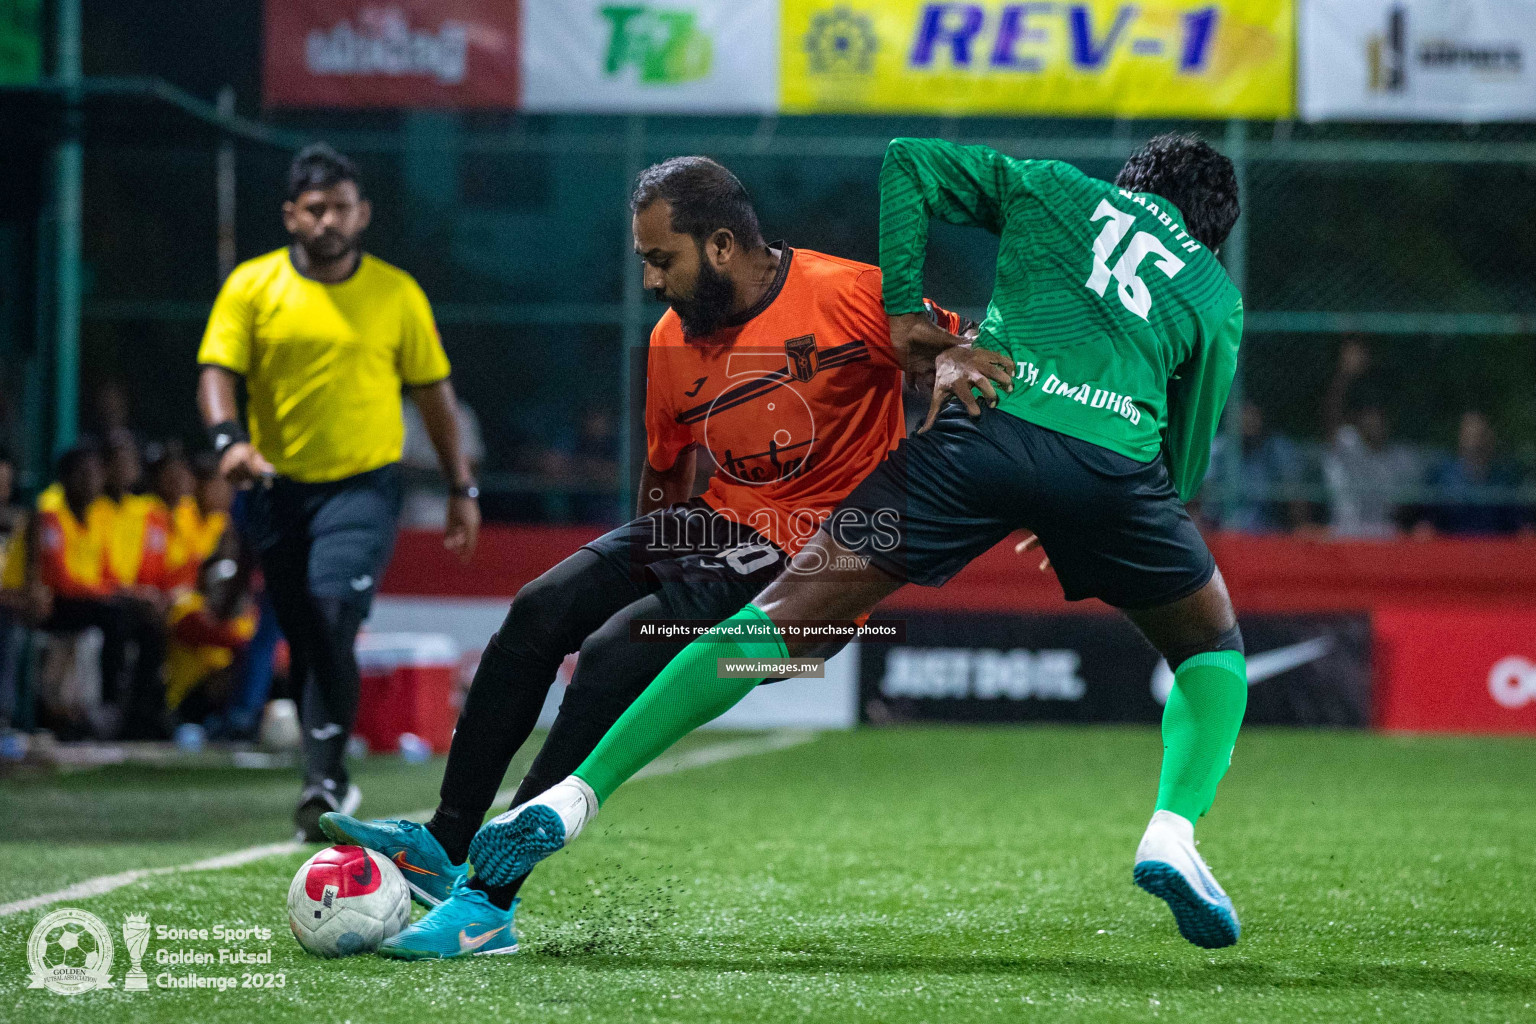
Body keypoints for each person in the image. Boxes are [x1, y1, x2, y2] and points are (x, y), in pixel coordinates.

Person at [475, 135, 1250, 951]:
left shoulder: (1054, 186)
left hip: (978, 433)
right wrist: (1084, 520)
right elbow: (1183, 463)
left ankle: (569, 798)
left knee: (778, 619)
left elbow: (909, 158)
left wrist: (907, 310)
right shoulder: (1211, 291)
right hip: (1115, 471)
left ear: (1128, 183)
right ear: (1211, 231)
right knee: (1211, 649)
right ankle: (1172, 829)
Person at [318, 155, 971, 958]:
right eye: (645, 263)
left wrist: (953, 360)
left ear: (723, 245)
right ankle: (448, 841)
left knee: (612, 653)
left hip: (817, 555)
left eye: (664, 260)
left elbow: (957, 347)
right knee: (541, 608)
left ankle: (489, 899)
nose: (653, 281)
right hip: (713, 524)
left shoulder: (848, 295)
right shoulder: (671, 342)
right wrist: (640, 569)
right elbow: (667, 472)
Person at [196, 143, 481, 841]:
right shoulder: (252, 286)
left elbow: (435, 396)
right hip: (273, 489)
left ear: (364, 215)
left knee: (332, 613)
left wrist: (461, 486)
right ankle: (330, 774)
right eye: (315, 208)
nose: (329, 220)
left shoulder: (396, 293)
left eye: (342, 207)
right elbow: (215, 371)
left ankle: (323, 780)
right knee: (302, 629)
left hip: (362, 488)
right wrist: (229, 438)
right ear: (292, 214)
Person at [28, 446, 168, 739]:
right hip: (53, 603)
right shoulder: (49, 514)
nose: (92, 481)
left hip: (90, 601)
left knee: (147, 622)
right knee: (113, 617)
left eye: (95, 474)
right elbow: (58, 579)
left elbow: (107, 573)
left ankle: (141, 714)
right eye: (84, 474)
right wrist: (109, 595)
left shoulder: (96, 516)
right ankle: (105, 708)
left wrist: (130, 595)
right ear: (65, 478)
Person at [1424, 411, 1526, 536]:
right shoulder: (1442, 475)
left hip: (1495, 546)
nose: (1475, 442)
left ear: (1490, 438)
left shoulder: (1504, 478)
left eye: (1480, 435)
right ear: (1460, 438)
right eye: (1470, 435)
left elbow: (1518, 522)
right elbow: (1427, 521)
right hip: (1452, 546)